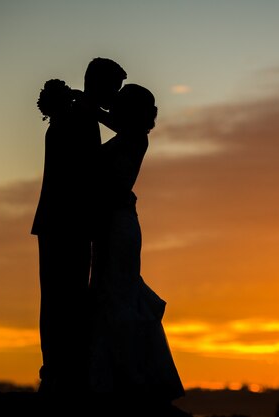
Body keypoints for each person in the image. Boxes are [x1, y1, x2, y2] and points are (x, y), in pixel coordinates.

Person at [88, 84, 186, 415]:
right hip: (117, 225)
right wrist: (87, 104)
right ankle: (126, 377)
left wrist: (88, 106)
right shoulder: (133, 134)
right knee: (116, 296)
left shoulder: (134, 138)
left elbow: (110, 177)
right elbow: (112, 122)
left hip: (118, 227)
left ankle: (133, 379)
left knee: (119, 298)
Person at [31, 58, 127, 395]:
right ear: (98, 85)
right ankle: (58, 375)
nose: (114, 97)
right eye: (112, 89)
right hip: (67, 224)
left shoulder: (77, 114)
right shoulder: (78, 118)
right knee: (64, 299)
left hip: (59, 222)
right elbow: (85, 172)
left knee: (63, 299)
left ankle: (59, 372)